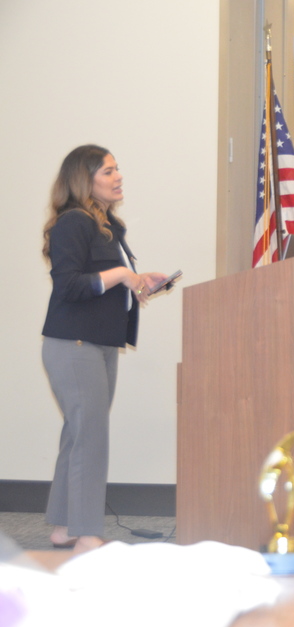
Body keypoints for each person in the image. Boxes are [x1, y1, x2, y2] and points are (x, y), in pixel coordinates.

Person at [41, 145, 171, 554]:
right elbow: (69, 285)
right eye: (108, 171)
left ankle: (65, 528)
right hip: (73, 344)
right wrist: (121, 274)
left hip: (98, 342)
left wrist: (138, 280)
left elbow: (102, 282)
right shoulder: (72, 222)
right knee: (90, 439)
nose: (118, 177)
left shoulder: (106, 225)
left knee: (79, 435)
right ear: (85, 179)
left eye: (117, 169)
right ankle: (87, 535)